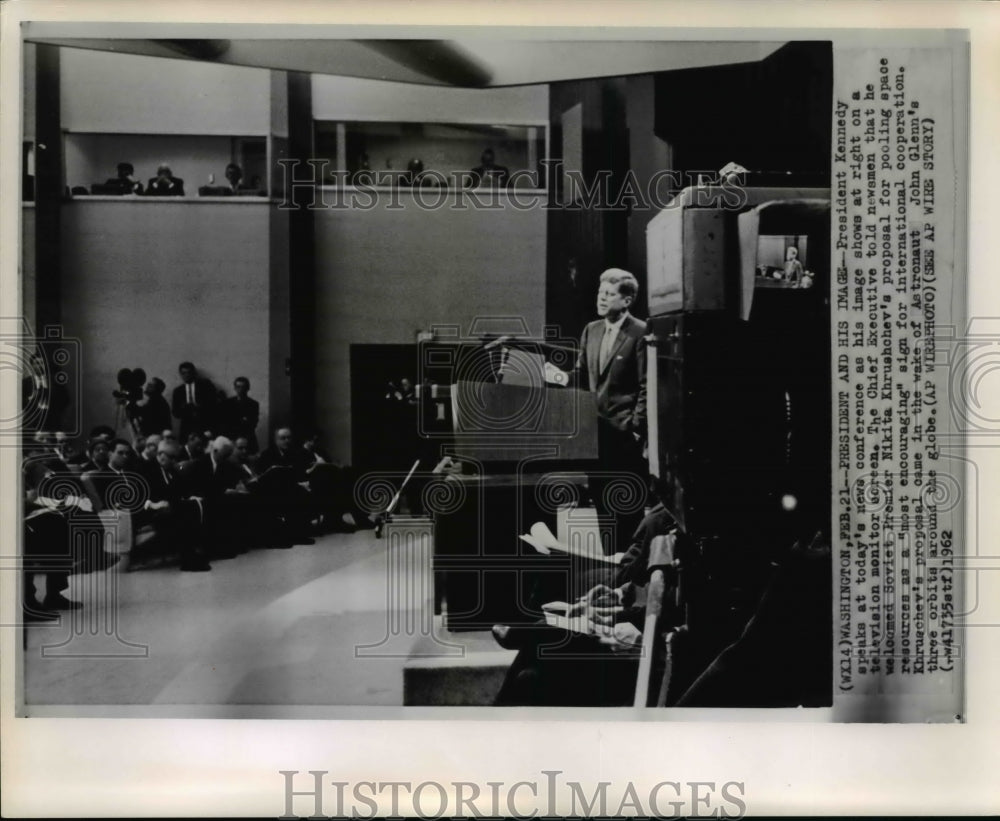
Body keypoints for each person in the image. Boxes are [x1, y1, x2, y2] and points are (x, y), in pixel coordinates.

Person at [547, 268, 648, 554]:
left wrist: (635, 426)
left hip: (625, 437)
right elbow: (580, 377)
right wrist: (557, 377)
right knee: (603, 508)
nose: (601, 299)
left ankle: (630, 577)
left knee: (627, 510)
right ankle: (611, 570)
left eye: (609, 294)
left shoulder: (640, 332)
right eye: (600, 293)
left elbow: (646, 385)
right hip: (596, 436)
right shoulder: (590, 330)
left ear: (626, 301)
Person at [171, 362, 217, 443]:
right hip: (186, 427)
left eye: (189, 372)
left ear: (194, 373)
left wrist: (199, 407)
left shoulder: (205, 386)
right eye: (183, 373)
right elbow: (175, 412)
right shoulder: (178, 391)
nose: (186, 375)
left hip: (203, 424)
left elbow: (213, 406)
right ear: (180, 374)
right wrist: (184, 409)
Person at [218, 376, 260, 452]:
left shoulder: (253, 404)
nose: (240, 389)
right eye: (238, 387)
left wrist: (235, 420)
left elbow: (252, 424)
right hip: (231, 437)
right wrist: (242, 420)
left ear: (248, 388)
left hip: (247, 438)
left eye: (243, 387)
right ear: (235, 388)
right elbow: (225, 422)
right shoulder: (227, 403)